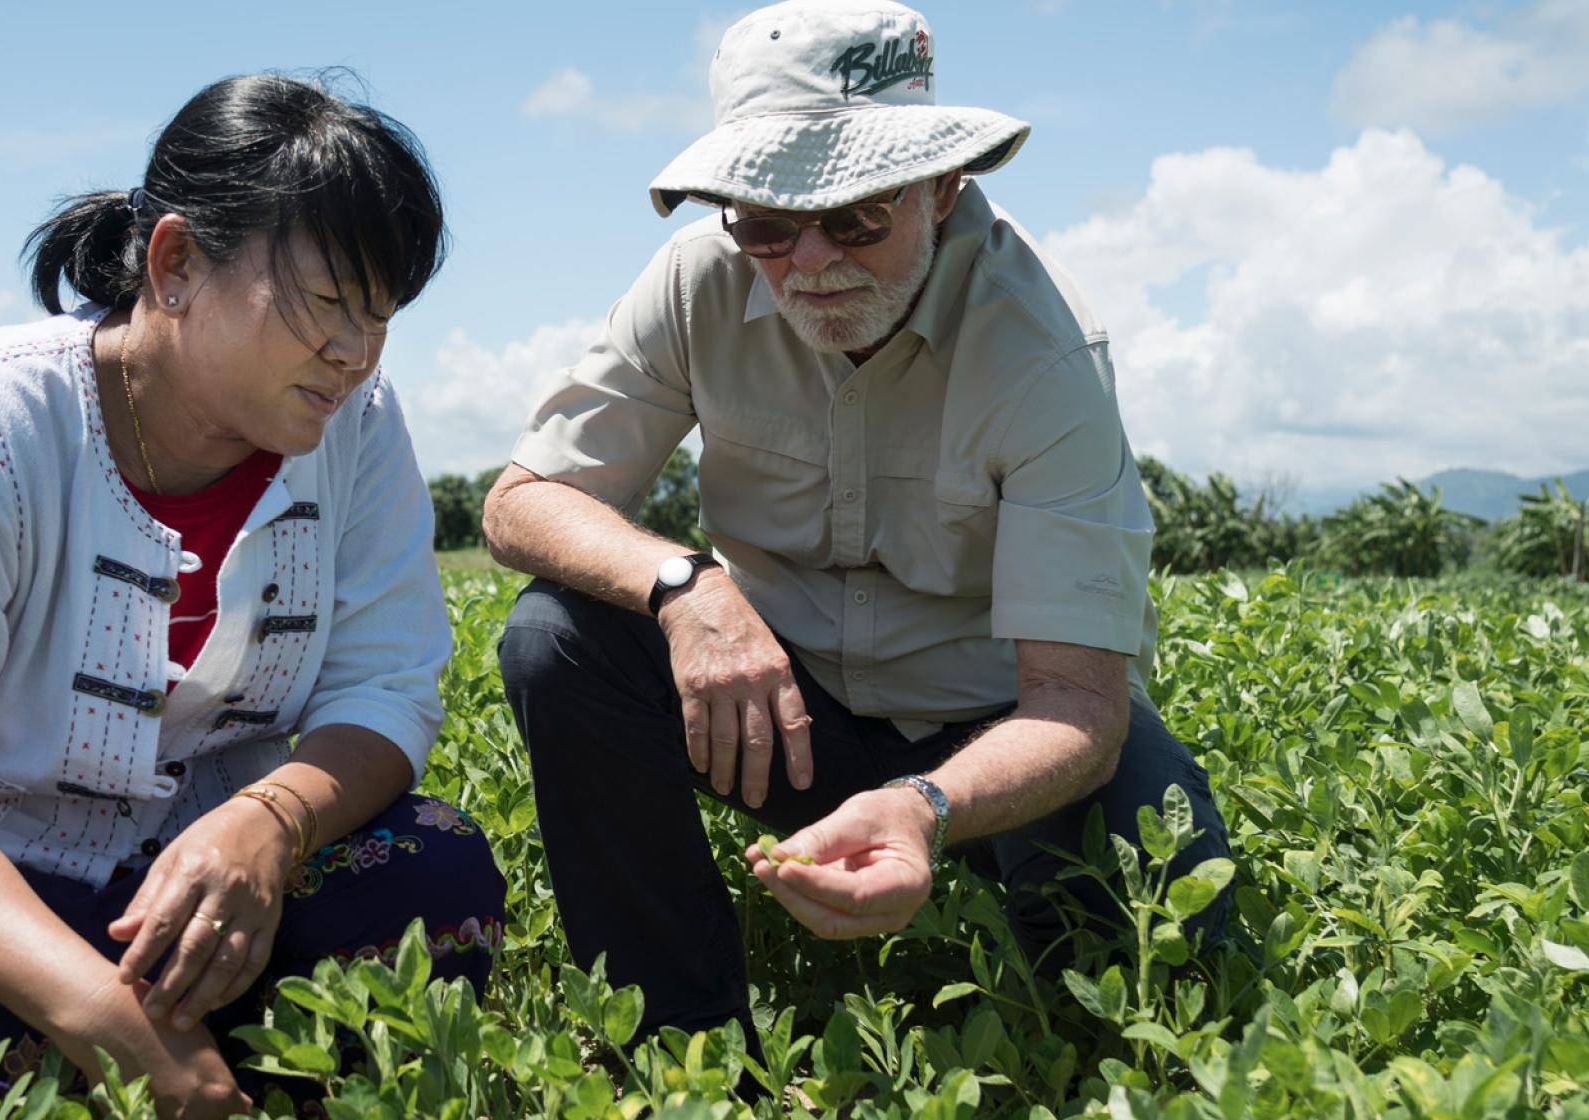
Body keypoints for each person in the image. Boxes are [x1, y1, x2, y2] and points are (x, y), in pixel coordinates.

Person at [0, 74, 504, 1119]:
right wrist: (108, 1018)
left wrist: (266, 823)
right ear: (176, 263)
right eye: (329, 300)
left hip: (223, 883)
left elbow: (384, 694)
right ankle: (128, 1048)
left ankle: (203, 1064)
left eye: (380, 313)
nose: (356, 349)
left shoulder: (358, 424)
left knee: (437, 874)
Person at [486, 0, 1231, 1042]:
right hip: (778, 715)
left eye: (856, 218)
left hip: (994, 739)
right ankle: (683, 1046)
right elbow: (524, 500)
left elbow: (1076, 704)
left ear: (942, 185)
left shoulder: (1040, 347)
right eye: (766, 224)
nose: (809, 262)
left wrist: (925, 805)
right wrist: (687, 589)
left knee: (1166, 955)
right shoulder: (698, 282)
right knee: (553, 639)